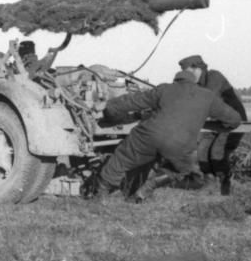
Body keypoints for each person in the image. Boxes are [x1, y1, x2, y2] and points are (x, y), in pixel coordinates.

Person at [93, 69, 242, 203]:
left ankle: (101, 195)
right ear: (194, 81)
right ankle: (142, 192)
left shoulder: (165, 89)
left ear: (176, 79)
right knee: (178, 168)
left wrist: (110, 109)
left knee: (122, 158)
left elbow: (132, 101)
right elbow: (234, 120)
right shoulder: (208, 96)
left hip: (149, 136)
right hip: (181, 144)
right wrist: (218, 126)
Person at [178, 54, 247, 196]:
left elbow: (208, 99)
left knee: (217, 151)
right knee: (202, 150)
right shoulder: (196, 84)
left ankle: (225, 185)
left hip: (232, 121)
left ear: (197, 69)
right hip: (215, 123)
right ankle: (210, 182)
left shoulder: (214, 77)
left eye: (189, 72)